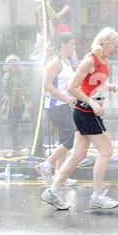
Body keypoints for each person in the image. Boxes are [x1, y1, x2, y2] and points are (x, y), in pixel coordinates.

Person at [41, 27, 118, 210]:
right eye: (115, 46)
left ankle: (52, 191)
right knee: (106, 149)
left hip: (85, 110)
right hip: (85, 111)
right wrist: (93, 103)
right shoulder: (89, 60)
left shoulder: (102, 60)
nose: (116, 50)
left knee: (78, 154)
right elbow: (72, 87)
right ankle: (97, 195)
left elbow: (101, 84)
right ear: (105, 43)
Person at [35, 32, 78, 186]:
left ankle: (59, 175)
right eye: (71, 44)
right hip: (55, 104)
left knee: (64, 138)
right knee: (71, 137)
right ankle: (46, 164)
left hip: (65, 104)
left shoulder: (67, 61)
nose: (73, 47)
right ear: (63, 44)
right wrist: (66, 98)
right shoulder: (55, 62)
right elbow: (47, 84)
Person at [2, 55, 26, 158]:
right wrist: (5, 105)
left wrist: (11, 106)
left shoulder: (15, 76)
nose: (5, 64)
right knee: (12, 126)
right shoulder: (7, 76)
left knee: (12, 126)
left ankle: (17, 150)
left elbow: (15, 93)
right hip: (12, 104)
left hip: (18, 105)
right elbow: (7, 93)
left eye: (7, 63)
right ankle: (17, 147)